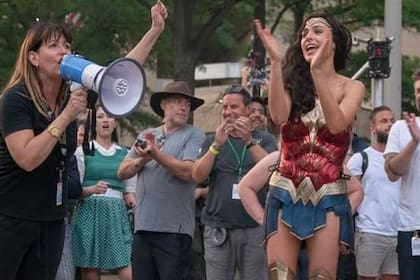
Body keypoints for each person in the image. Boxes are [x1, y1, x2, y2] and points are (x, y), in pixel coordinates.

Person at [0, 1, 167, 278]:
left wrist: (154, 30)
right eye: (54, 46)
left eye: (67, 45)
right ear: (33, 58)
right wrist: (67, 115)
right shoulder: (16, 100)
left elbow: (119, 75)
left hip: (52, 219)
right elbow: (27, 159)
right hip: (12, 218)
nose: (63, 52)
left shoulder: (72, 94)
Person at [254, 12, 365, 279]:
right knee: (279, 275)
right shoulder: (293, 82)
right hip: (284, 191)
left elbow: (337, 125)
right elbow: (278, 116)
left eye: (317, 31)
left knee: (322, 276)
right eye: (304, 33)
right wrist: (276, 61)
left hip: (328, 196)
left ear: (334, 42)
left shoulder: (353, 87)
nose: (308, 37)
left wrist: (317, 72)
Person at [117, 80, 205, 280]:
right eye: (177, 101)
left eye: (187, 104)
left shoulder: (194, 135)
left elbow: (188, 172)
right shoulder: (148, 135)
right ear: (164, 104)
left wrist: (155, 153)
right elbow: (121, 171)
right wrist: (142, 160)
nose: (184, 107)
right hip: (142, 228)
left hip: (174, 231)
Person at [191, 85, 278, 280]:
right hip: (218, 228)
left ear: (247, 110)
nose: (228, 112)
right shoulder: (212, 140)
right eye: (225, 107)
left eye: (234, 107)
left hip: (255, 227)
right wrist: (215, 147)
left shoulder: (264, 139)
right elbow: (196, 175)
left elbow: (275, 173)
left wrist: (248, 141)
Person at [238, 151, 364, 280]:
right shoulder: (277, 158)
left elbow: (356, 191)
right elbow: (245, 186)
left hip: (324, 223)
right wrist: (264, 219)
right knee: (280, 275)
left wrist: (339, 218)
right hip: (283, 222)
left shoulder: (331, 162)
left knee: (322, 276)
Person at [71, 105, 136, 280]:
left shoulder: (126, 153)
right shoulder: (82, 152)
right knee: (91, 269)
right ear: (94, 122)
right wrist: (92, 189)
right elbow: (75, 191)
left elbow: (129, 192)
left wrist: (134, 203)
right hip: (89, 212)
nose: (105, 120)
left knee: (126, 268)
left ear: (116, 123)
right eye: (100, 117)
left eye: (110, 116)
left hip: (116, 213)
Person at [347, 105, 399, 280]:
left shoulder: (403, 159)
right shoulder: (360, 158)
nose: (389, 124)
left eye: (392, 121)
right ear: (373, 128)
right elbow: (347, 195)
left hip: (399, 232)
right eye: (384, 121)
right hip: (370, 232)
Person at [384, 69, 420, 280]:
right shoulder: (401, 128)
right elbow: (393, 173)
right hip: (413, 229)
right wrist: (414, 142)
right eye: (417, 90)